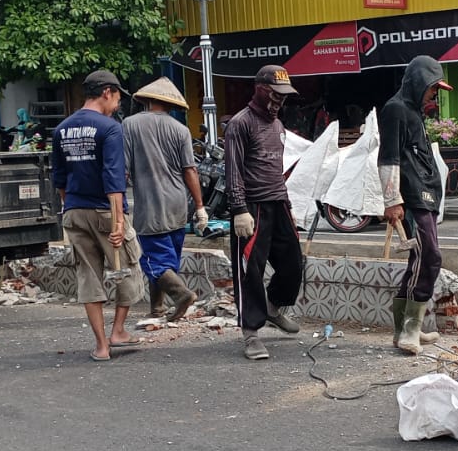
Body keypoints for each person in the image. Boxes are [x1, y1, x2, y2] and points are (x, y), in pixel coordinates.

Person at [53, 70, 145, 361]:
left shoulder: (61, 129)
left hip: (74, 211)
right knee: (127, 268)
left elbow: (59, 180)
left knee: (88, 277)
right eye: (117, 98)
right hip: (107, 210)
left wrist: (71, 207)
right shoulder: (110, 128)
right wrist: (118, 222)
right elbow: (114, 178)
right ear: (107, 92)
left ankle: (101, 346)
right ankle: (118, 330)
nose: (117, 105)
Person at [224, 64, 303, 360]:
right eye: (275, 94)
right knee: (250, 271)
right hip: (252, 206)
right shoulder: (240, 124)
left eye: (283, 96)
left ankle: (273, 307)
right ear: (260, 89)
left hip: (278, 203)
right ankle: (251, 333)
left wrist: (288, 206)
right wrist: (239, 209)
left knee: (293, 262)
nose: (279, 100)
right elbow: (233, 170)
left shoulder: (277, 125)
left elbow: (276, 169)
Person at [379, 55, 452, 354]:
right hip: (411, 198)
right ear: (419, 82)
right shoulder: (395, 109)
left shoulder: (414, 111)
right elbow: (389, 158)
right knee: (429, 256)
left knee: (419, 260)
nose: (434, 94)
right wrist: (392, 200)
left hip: (425, 196)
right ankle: (409, 328)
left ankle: (407, 329)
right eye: (433, 88)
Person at [123, 77, 210, 322]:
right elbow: (190, 170)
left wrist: (117, 203)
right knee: (166, 261)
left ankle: (182, 295)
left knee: (153, 261)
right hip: (178, 204)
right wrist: (200, 207)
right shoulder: (181, 130)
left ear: (148, 100)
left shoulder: (130, 124)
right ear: (171, 105)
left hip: (151, 205)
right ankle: (157, 309)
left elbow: (123, 170)